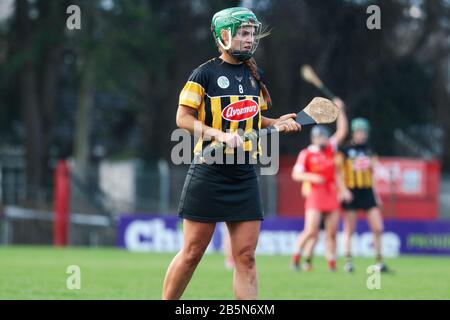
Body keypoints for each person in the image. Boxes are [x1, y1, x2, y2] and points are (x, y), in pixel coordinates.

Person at [162, 7, 301, 300]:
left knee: (246, 257)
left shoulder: (254, 76)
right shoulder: (205, 73)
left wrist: (276, 123)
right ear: (224, 36)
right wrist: (220, 134)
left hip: (243, 173)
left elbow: (253, 119)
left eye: (252, 33)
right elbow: (183, 119)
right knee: (192, 253)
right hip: (209, 171)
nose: (250, 39)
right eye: (243, 33)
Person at [291, 98, 351, 272]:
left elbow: (342, 131)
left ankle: (332, 263)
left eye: (324, 136)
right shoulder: (307, 153)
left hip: (331, 193)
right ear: (314, 138)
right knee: (311, 231)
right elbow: (296, 174)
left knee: (332, 232)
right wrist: (312, 177)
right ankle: (296, 258)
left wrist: (340, 110)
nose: (323, 139)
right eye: (319, 137)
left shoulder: (331, 149)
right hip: (315, 195)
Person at [337, 118, 389, 273]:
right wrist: (343, 190)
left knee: (378, 228)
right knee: (349, 229)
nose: (361, 135)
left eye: (364, 132)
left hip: (367, 192)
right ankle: (348, 262)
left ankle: (379, 262)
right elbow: (337, 172)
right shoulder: (344, 150)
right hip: (351, 192)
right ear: (354, 132)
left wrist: (376, 193)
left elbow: (373, 173)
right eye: (359, 132)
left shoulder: (370, 149)